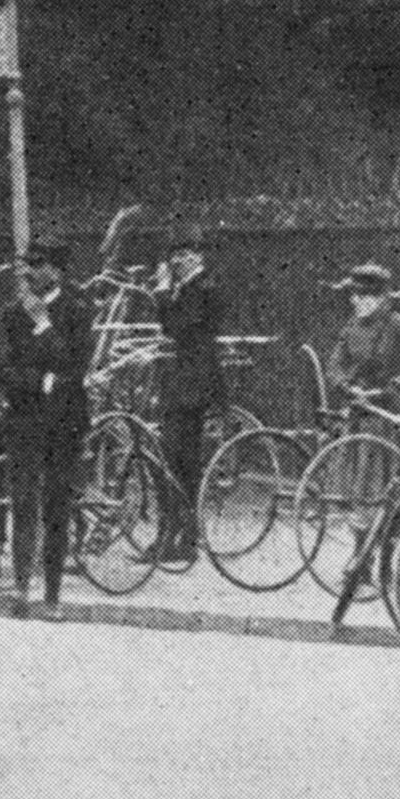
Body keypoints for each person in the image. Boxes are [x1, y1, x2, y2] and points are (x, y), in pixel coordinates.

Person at [0, 238, 92, 617]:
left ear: (56, 270)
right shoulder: (9, 313)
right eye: (26, 264)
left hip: (64, 423)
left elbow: (75, 367)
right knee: (21, 502)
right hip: (23, 419)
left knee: (56, 506)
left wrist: (42, 324)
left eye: (37, 264)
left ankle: (51, 596)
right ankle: (21, 589)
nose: (28, 272)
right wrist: (43, 381)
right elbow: (1, 369)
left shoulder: (78, 310)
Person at [153, 222, 227, 565]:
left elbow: (179, 327)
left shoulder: (205, 287)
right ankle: (174, 535)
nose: (178, 261)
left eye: (184, 254)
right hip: (181, 383)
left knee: (180, 461)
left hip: (194, 386)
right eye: (174, 255)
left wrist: (164, 293)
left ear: (198, 256)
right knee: (172, 460)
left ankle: (184, 538)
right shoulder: (187, 287)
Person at [329, 263, 400, 402]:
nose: (356, 301)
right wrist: (343, 385)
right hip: (361, 402)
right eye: (354, 296)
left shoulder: (399, 324)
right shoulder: (351, 326)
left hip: (398, 401)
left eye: (363, 297)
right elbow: (335, 363)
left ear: (381, 299)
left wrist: (397, 386)